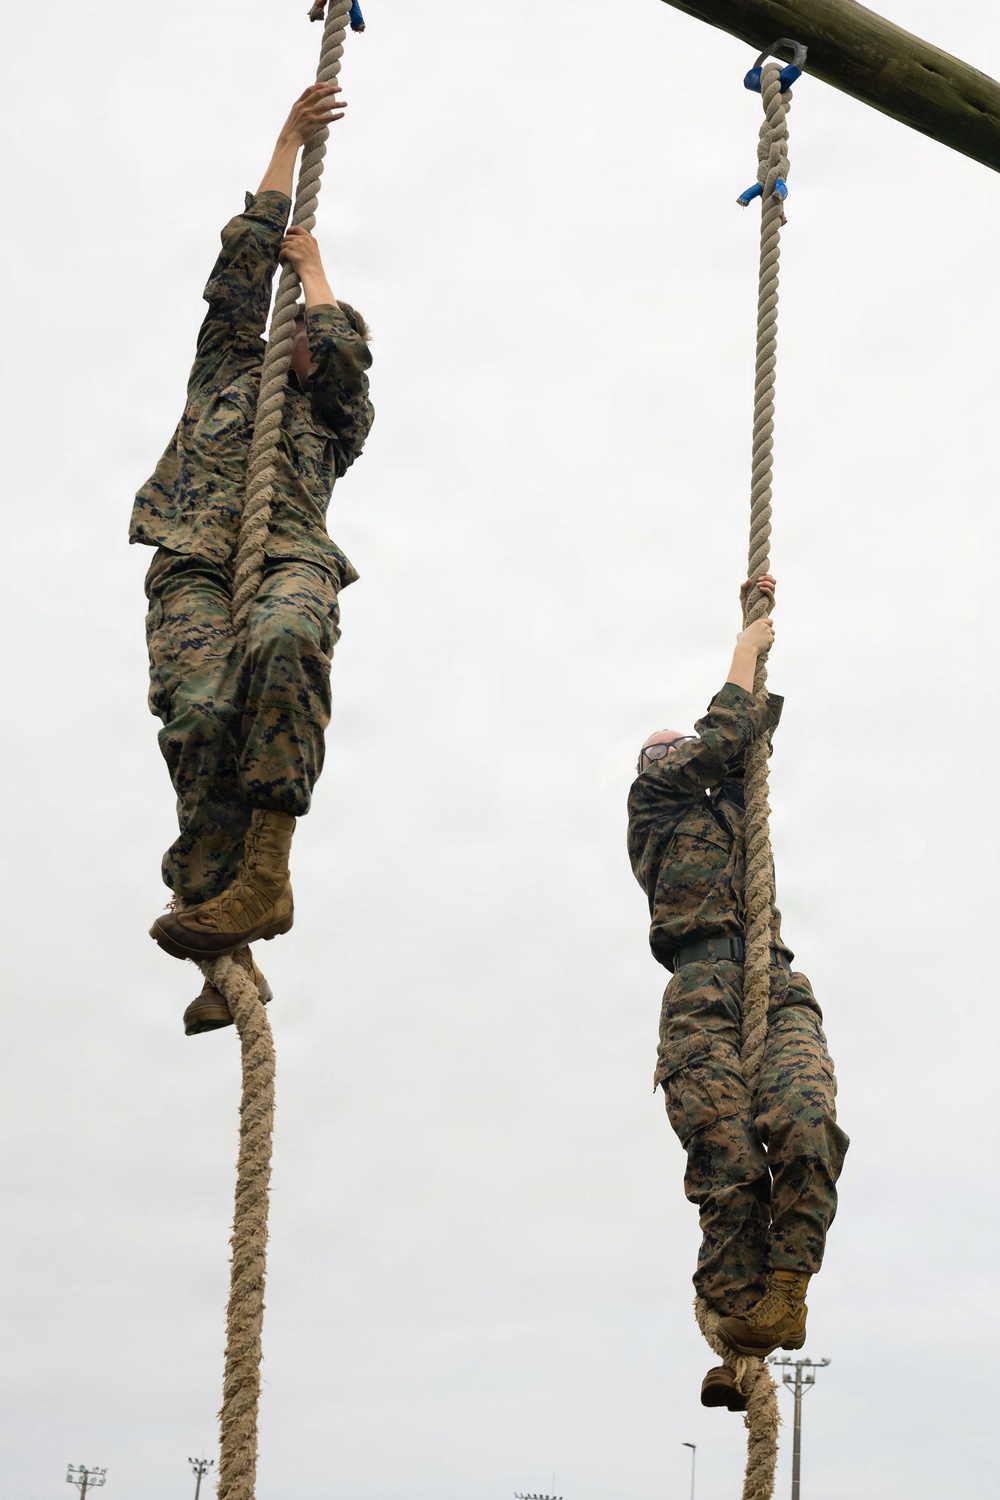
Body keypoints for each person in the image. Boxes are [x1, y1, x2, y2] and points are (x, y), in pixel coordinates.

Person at [130, 83, 374, 1035]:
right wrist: (286, 142)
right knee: (197, 719)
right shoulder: (228, 364)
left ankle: (265, 873)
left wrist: (317, 274)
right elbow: (238, 261)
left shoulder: (335, 421)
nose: (302, 348)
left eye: (313, 341)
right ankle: (216, 931)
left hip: (284, 556)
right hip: (193, 554)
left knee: (283, 640)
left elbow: (346, 358)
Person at [626, 577, 848, 1413]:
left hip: (770, 979)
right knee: (726, 1165)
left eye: (673, 743)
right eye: (661, 746)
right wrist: (748, 643)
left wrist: (754, 646)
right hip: (699, 988)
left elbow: (740, 742)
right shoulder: (653, 803)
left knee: (802, 1120)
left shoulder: (730, 811)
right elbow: (722, 736)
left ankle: (784, 1287)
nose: (671, 750)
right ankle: (730, 1329)